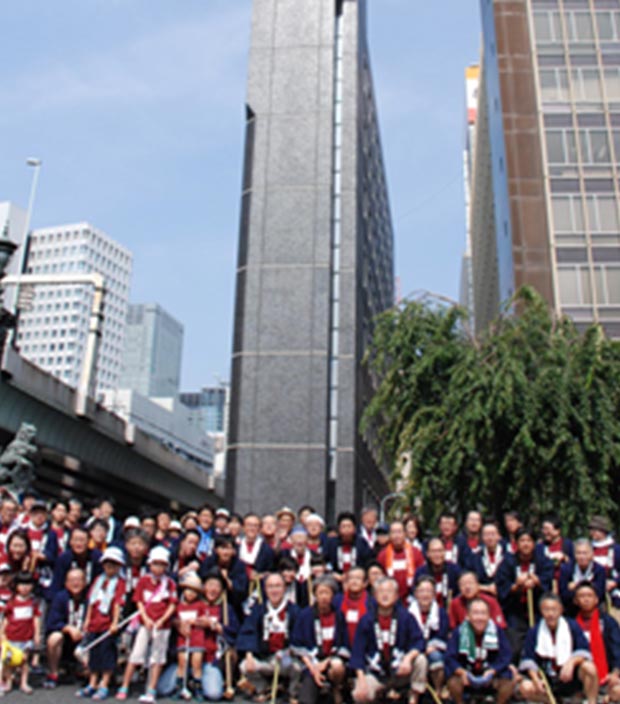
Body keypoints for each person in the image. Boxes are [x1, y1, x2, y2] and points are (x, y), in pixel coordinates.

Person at [351, 576, 427, 704]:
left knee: (421, 660)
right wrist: (361, 680)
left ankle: (413, 698)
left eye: (389, 591)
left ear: (396, 596)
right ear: (375, 596)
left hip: (400, 670)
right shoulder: (366, 620)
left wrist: (408, 658)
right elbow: (357, 653)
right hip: (376, 672)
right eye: (381, 592)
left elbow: (419, 642)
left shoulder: (406, 617)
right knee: (360, 695)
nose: (385, 595)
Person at [116, 546, 178, 703]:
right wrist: (146, 618)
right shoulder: (144, 580)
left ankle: (151, 689)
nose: (158, 568)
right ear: (150, 564)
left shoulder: (169, 583)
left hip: (162, 626)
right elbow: (139, 602)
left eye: (162, 564)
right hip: (145, 624)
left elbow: (172, 604)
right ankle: (124, 685)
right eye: (155, 564)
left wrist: (162, 620)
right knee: (136, 654)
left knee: (157, 658)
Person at [519, 592, 598, 704]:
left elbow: (584, 651)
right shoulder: (535, 631)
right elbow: (528, 660)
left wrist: (571, 662)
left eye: (554, 609)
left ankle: (592, 701)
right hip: (548, 678)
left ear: (560, 610)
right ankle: (554, 701)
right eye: (546, 610)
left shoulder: (571, 625)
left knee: (589, 668)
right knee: (525, 687)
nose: (550, 614)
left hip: (569, 677)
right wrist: (536, 679)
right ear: (541, 611)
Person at [238, 572, 302, 703]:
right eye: (270, 586)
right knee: (245, 666)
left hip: (286, 659)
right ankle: (263, 689)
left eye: (278, 586)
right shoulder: (258, 610)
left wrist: (289, 651)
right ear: (265, 589)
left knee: (298, 668)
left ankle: (292, 693)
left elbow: (300, 637)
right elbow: (249, 631)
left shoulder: (294, 611)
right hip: (265, 658)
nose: (274, 590)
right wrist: (249, 654)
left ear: (284, 588)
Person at [77, 547, 127, 700]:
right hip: (94, 623)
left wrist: (114, 623)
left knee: (107, 655)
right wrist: (87, 620)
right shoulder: (98, 580)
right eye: (107, 564)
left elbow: (118, 603)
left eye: (114, 565)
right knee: (94, 655)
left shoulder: (119, 583)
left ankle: (104, 684)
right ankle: (92, 683)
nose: (110, 568)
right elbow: (91, 601)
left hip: (107, 624)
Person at [496, 527, 554, 658]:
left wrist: (537, 582)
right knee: (515, 648)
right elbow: (501, 587)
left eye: (529, 540)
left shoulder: (543, 561)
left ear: (534, 543)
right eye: (522, 540)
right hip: (515, 612)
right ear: (516, 543)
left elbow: (548, 584)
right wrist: (516, 586)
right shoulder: (508, 562)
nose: (526, 544)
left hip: (538, 611)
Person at [291, 575, 349, 704]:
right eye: (320, 593)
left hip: (330, 661)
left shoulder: (339, 615)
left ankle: (336, 689)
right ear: (315, 595)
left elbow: (344, 645)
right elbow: (297, 645)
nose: (323, 597)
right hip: (311, 661)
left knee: (337, 666)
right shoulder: (305, 615)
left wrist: (326, 662)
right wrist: (313, 668)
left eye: (327, 593)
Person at [445, 598, 514, 704]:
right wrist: (461, 672)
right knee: (453, 681)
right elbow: (450, 657)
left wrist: (493, 671)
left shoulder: (497, 631)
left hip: (490, 672)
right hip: (466, 673)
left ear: (489, 616)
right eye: (476, 613)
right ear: (467, 616)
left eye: (483, 613)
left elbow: (506, 656)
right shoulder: (459, 632)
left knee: (508, 680)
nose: (480, 618)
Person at [574, 582, 620, 702]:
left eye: (589, 596)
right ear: (576, 600)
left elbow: (616, 648)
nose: (586, 600)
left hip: (606, 673)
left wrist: (615, 672)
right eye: (582, 596)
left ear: (596, 599)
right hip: (581, 675)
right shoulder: (571, 624)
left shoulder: (608, 622)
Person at [44, 567, 87, 689]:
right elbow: (52, 623)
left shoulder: (90, 597)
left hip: (85, 638)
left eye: (79, 580)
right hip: (66, 639)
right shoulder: (60, 597)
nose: (75, 583)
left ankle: (86, 671)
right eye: (72, 580)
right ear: (66, 583)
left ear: (85, 582)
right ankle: (53, 673)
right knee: (54, 638)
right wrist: (68, 628)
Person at [200, 569, 239, 701]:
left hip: (211, 659)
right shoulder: (194, 603)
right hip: (188, 657)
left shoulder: (226, 609)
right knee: (164, 688)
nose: (213, 589)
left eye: (217, 586)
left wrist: (218, 627)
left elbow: (234, 632)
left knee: (214, 694)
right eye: (210, 585)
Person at [1, 571, 41, 694]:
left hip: (26, 637)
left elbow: (36, 619)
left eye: (28, 584)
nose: (25, 587)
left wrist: (37, 635)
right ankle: (8, 682)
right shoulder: (12, 602)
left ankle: (24, 682)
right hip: (11, 637)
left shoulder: (33, 602)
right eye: (22, 584)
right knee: (9, 662)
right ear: (16, 586)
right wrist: (2, 633)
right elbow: (6, 619)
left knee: (24, 662)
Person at [408, 576, 449, 695]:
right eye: (421, 591)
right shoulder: (407, 613)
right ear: (415, 593)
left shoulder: (441, 613)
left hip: (433, 649)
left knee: (436, 657)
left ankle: (438, 690)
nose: (425, 595)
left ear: (434, 594)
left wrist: (429, 648)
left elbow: (442, 635)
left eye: (429, 591)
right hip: (414, 649)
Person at [172, 572, 209, 701]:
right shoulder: (179, 605)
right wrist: (180, 624)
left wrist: (196, 621)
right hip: (183, 639)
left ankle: (197, 687)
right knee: (182, 662)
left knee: (196, 664)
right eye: (188, 590)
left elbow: (206, 619)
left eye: (194, 591)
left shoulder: (201, 605)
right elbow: (174, 620)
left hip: (197, 639)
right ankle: (179, 687)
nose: (191, 593)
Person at [200, 535, 249, 616]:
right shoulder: (208, 562)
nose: (225, 552)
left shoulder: (239, 565)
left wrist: (227, 580)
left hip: (231, 605)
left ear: (234, 551)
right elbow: (202, 580)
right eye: (223, 548)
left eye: (229, 548)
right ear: (216, 550)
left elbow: (242, 590)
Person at [377, 521, 424, 603]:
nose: (396, 536)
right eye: (393, 532)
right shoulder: (382, 555)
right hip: (389, 599)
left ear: (405, 534)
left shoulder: (416, 553)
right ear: (390, 535)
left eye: (399, 532)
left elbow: (421, 577)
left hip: (411, 598)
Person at [51, 525, 102, 598]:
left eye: (82, 540)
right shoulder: (63, 558)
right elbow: (57, 585)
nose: (78, 544)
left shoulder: (97, 557)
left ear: (89, 542)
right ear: (70, 541)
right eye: (75, 540)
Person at [559, 538, 607, 614]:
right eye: (578, 553)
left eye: (585, 553)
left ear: (592, 554)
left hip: (594, 608)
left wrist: (576, 586)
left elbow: (599, 594)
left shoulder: (599, 570)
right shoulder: (566, 569)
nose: (582, 557)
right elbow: (563, 594)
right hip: (572, 607)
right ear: (574, 554)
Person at [333, 567, 374, 647]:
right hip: (343, 647)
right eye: (351, 578)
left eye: (358, 578)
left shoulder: (372, 603)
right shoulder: (337, 601)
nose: (354, 582)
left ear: (365, 583)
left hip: (366, 647)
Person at [415, 537, 460, 609]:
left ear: (445, 552)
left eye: (440, 551)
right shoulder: (420, 573)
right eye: (433, 551)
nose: (437, 555)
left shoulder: (454, 570)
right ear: (427, 554)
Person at [325, 512, 372, 579]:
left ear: (354, 528)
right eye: (343, 526)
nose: (346, 529)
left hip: (358, 577)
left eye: (349, 526)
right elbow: (325, 561)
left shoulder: (362, 543)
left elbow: (367, 562)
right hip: (336, 577)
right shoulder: (331, 543)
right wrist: (333, 574)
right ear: (339, 528)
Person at [589, 515, 620, 609]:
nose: (592, 532)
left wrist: (615, 582)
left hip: (613, 589)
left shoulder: (615, 549)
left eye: (595, 530)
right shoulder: (589, 548)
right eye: (591, 529)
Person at [537, 514, 573, 588]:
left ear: (557, 530)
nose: (545, 532)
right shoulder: (540, 546)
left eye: (547, 529)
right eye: (543, 529)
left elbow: (574, 565)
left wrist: (565, 558)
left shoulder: (568, 545)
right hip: (546, 585)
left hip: (563, 584)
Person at [238, 513, 275, 582]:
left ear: (259, 529)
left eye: (255, 526)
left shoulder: (267, 550)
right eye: (249, 525)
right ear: (243, 527)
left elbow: (271, 572)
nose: (252, 528)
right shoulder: (236, 547)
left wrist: (261, 575)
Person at [471, 520, 505, 595]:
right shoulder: (475, 557)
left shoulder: (508, 557)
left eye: (493, 534)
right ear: (482, 537)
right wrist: (486, 588)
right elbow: (470, 579)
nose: (490, 538)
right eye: (486, 535)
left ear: (499, 536)